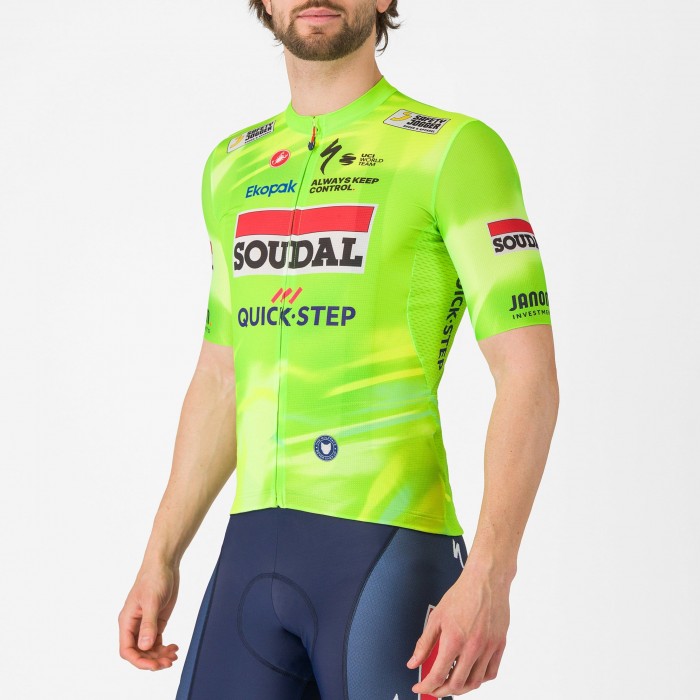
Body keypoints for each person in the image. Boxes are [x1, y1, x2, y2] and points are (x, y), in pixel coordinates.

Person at [117, 1, 559, 697]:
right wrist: (161, 553)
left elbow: (528, 374)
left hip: (388, 551)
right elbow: (222, 375)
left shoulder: (453, 150)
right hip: (249, 555)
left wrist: (491, 576)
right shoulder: (231, 166)